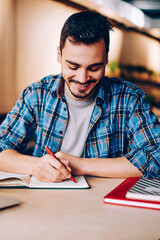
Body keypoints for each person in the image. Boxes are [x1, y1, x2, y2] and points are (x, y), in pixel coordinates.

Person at [0, 11, 160, 182]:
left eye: (94, 68)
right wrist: (36, 165)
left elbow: (155, 157)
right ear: (59, 55)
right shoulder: (37, 95)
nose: (82, 79)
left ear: (106, 58)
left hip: (104, 205)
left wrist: (81, 165)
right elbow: (2, 147)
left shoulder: (129, 99)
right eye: (73, 66)